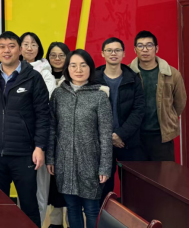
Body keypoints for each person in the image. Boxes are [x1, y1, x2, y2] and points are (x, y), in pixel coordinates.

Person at [0, 31, 49, 228]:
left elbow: (43, 115)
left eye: (11, 46)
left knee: (29, 206)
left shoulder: (33, 78)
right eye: (2, 46)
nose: (6, 50)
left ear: (20, 50)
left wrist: (40, 147)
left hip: (24, 153)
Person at [47, 49, 113, 228]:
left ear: (90, 68)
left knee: (91, 209)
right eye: (73, 65)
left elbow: (105, 135)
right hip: (64, 162)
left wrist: (105, 166)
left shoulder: (99, 96)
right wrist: (50, 158)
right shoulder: (58, 95)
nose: (78, 70)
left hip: (91, 163)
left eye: (83, 65)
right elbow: (52, 128)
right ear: (67, 69)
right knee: (72, 207)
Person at [96, 37, 145, 204]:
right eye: (109, 50)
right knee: (103, 189)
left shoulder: (133, 78)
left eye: (117, 50)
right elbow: (88, 112)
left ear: (124, 54)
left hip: (128, 142)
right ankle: (102, 218)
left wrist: (120, 134)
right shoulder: (93, 79)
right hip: (102, 144)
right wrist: (109, 136)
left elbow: (139, 110)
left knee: (132, 190)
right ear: (102, 53)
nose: (113, 53)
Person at [129, 30, 187, 161]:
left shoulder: (172, 73)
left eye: (149, 45)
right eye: (140, 46)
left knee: (165, 173)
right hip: (135, 136)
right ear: (135, 49)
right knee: (137, 173)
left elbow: (180, 102)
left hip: (162, 137)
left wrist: (168, 116)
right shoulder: (128, 74)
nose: (145, 49)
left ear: (156, 48)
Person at [17, 32, 56, 226]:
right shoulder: (12, 69)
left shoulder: (45, 72)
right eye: (25, 44)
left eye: (33, 44)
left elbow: (43, 102)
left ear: (39, 48)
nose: (29, 48)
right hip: (18, 139)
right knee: (22, 189)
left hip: (39, 136)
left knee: (40, 189)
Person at [45, 41, 70, 228]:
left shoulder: (74, 76)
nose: (57, 58)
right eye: (53, 55)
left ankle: (70, 221)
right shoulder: (41, 76)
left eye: (61, 55)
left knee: (67, 181)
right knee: (51, 180)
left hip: (68, 137)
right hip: (48, 135)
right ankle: (55, 222)